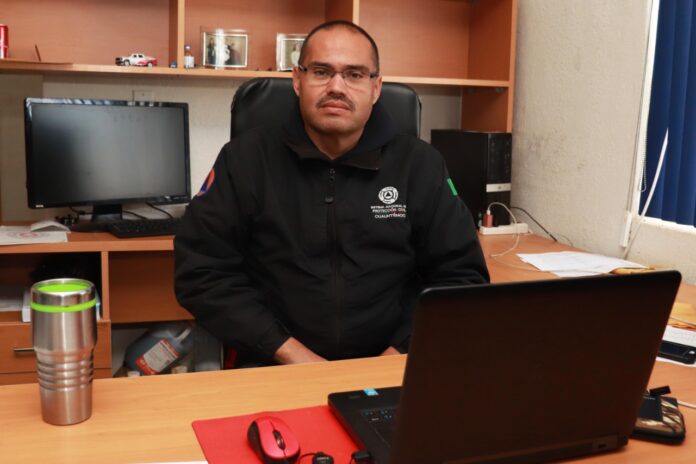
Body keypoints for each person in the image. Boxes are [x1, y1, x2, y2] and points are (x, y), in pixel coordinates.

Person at [174, 20, 489, 367]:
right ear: (297, 80)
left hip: (395, 366)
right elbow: (201, 273)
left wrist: (399, 353)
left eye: (354, 74)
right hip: (274, 363)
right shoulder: (245, 159)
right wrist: (291, 354)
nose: (336, 87)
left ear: (376, 88)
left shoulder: (420, 165)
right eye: (322, 72)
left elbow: (461, 277)